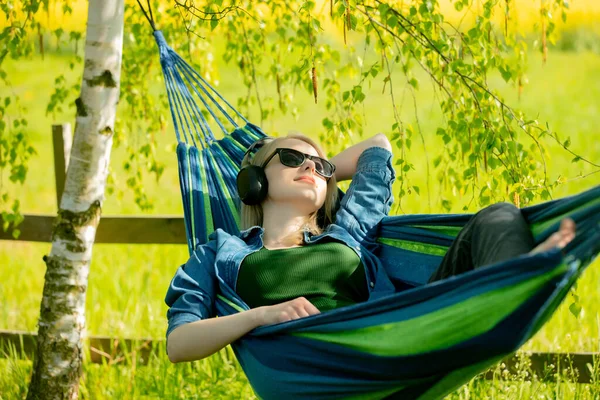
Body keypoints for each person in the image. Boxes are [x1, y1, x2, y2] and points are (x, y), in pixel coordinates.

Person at [164, 132, 575, 363]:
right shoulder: (223, 250)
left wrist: (321, 171)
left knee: (499, 215)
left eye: (319, 167)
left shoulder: (348, 232)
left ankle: (517, 279)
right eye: (292, 158)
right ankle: (514, 284)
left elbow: (376, 147)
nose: (310, 166)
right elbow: (179, 342)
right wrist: (262, 315)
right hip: (318, 363)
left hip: (395, 334)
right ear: (253, 180)